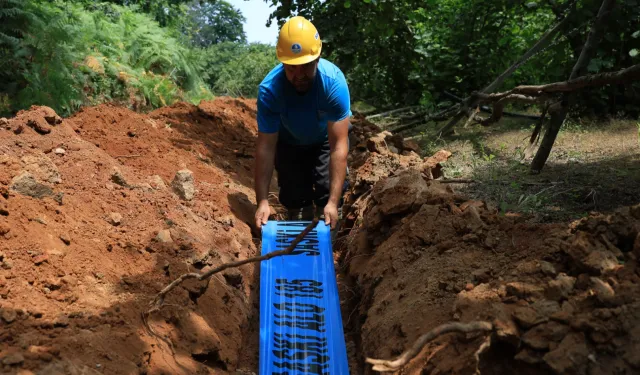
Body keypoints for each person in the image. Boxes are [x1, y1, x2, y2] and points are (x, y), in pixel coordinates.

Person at [253, 16, 351, 231]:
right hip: (289, 142)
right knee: (294, 197)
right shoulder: (270, 90)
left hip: (325, 140)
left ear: (317, 59)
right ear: (283, 63)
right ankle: (299, 231)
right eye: (291, 68)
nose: (298, 75)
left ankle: (330, 236)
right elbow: (266, 147)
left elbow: (338, 145)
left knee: (328, 191)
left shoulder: (333, 84)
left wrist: (333, 203)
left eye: (305, 67)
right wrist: (262, 201)